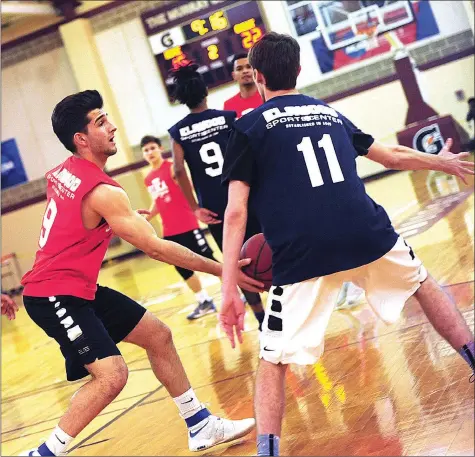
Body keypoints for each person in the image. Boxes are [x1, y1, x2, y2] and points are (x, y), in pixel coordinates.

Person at [219, 32, 475, 456]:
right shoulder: (328, 112)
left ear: (258, 77)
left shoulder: (247, 127)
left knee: (274, 357)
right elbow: (390, 156)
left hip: (301, 251)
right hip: (366, 232)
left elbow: (235, 212)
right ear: (299, 71)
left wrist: (229, 287)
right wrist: (440, 160)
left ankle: (268, 451)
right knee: (424, 284)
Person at [19, 90, 261, 457]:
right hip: (54, 295)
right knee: (112, 376)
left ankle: (200, 424)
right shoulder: (103, 192)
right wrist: (226, 271)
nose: (113, 127)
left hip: (76, 288)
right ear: (81, 140)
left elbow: (74, 218)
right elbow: (157, 248)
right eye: (101, 123)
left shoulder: (63, 172)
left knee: (158, 335)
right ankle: (43, 454)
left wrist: (118, 222)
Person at [169, 61, 266, 330]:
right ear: (205, 92)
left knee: (236, 263)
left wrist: (195, 208)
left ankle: (261, 319)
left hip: (214, 209)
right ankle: (284, 306)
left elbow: (178, 171)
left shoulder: (177, 132)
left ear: (182, 99)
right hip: (244, 198)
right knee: (268, 249)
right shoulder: (227, 118)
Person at [141, 134, 218, 320]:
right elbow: (158, 202)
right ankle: (204, 301)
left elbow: (188, 187)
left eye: (153, 148)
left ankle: (238, 290)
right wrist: (146, 218)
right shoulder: (149, 178)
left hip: (188, 225)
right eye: (146, 150)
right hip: (170, 231)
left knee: (208, 260)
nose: (150, 152)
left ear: (160, 148)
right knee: (183, 268)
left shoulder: (172, 169)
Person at [224, 53, 263, 118]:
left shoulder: (269, 95)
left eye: (249, 67)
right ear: (234, 76)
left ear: (256, 71)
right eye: (239, 69)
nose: (245, 71)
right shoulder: (228, 105)